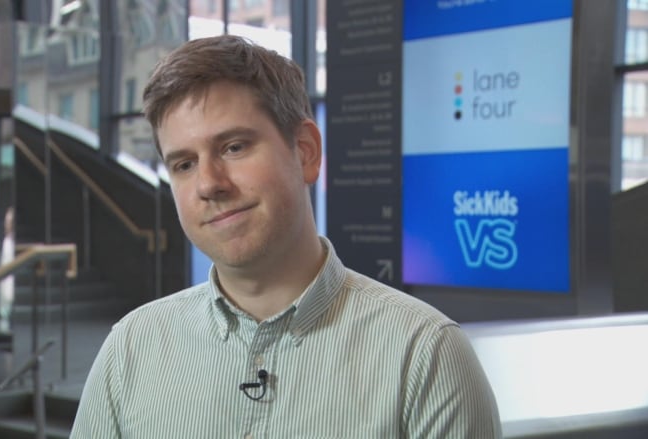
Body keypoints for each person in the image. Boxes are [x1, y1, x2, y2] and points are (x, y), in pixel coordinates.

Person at [71, 35, 502, 438]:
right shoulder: (130, 349)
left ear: (306, 151)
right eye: (184, 164)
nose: (209, 184)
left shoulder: (424, 355)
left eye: (234, 147)